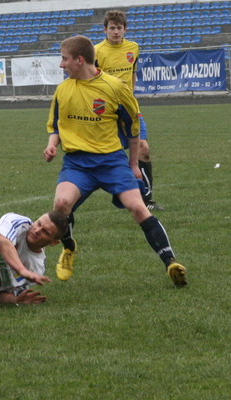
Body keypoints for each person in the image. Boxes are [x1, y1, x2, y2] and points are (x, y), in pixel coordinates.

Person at [43, 36, 186, 287]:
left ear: (79, 60)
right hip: (77, 163)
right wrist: (51, 145)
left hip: (112, 162)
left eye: (64, 59)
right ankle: (69, 249)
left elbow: (133, 131)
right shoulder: (63, 89)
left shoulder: (115, 88)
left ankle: (171, 263)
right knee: (61, 204)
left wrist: (133, 166)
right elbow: (55, 125)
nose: (61, 65)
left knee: (139, 208)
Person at [94, 10, 163, 211]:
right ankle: (120, 193)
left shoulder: (133, 48)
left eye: (119, 28)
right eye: (112, 28)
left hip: (130, 109)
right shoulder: (96, 51)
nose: (116, 32)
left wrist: (130, 97)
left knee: (143, 148)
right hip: (107, 112)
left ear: (125, 29)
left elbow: (132, 73)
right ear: (105, 29)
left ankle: (147, 200)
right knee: (110, 155)